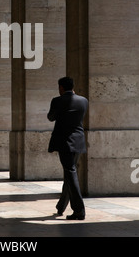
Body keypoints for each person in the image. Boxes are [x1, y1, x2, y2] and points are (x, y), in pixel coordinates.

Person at [47, 77, 88, 220]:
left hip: (64, 143)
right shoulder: (84, 101)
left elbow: (51, 117)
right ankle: (61, 206)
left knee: (70, 173)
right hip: (78, 142)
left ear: (61, 88)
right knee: (69, 173)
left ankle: (79, 210)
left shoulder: (57, 101)